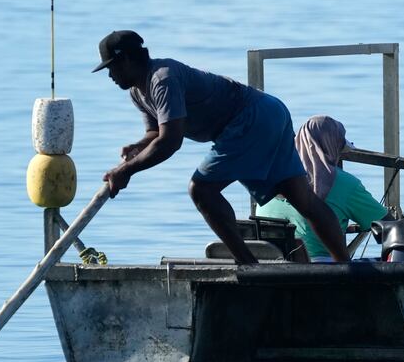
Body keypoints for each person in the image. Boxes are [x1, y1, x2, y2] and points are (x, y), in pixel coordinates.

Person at [93, 30, 350, 264]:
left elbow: (171, 141)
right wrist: (137, 147)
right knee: (301, 197)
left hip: (250, 118)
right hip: (270, 112)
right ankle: (343, 266)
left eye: (112, 68)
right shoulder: (138, 92)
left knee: (202, 189)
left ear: (126, 59)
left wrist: (126, 171)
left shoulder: (163, 79)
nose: (110, 76)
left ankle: (247, 265)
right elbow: (155, 133)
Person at [255, 115, 389, 262]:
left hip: (271, 266)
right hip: (321, 271)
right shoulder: (345, 183)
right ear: (333, 146)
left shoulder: (273, 178)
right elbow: (389, 228)